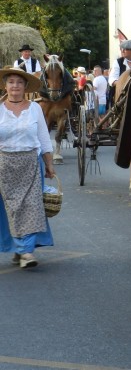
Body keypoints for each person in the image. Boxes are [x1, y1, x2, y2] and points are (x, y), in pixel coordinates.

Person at [0, 67, 55, 268]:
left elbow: (43, 138)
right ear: (5, 85)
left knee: (32, 207)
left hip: (31, 163)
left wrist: (49, 164)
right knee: (11, 210)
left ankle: (26, 252)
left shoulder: (35, 109)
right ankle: (19, 247)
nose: (15, 86)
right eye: (11, 82)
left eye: (19, 82)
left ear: (25, 87)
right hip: (4, 166)